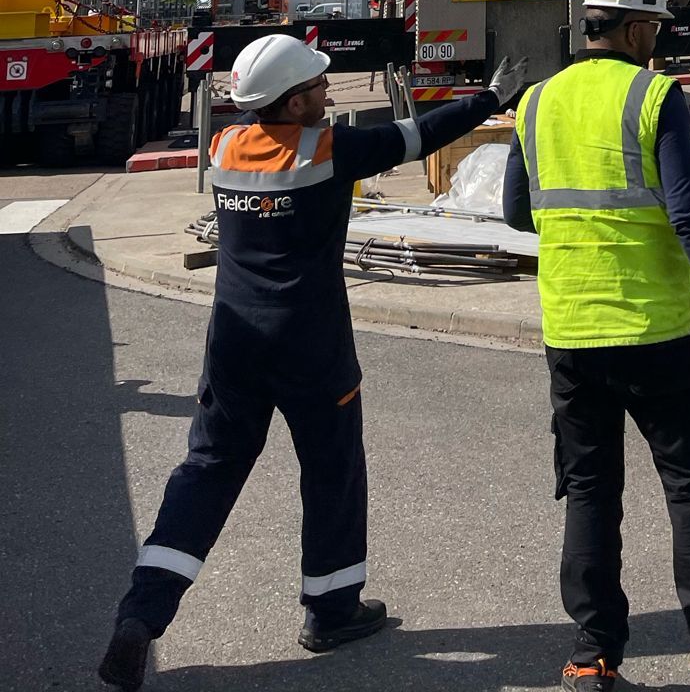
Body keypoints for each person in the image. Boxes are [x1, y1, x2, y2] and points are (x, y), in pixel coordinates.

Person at [98, 34, 522, 690]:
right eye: (320, 87)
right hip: (312, 348)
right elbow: (420, 134)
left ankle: (140, 617)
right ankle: (331, 611)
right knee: (331, 474)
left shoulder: (224, 148)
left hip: (234, 345)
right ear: (295, 102)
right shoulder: (327, 152)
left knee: (206, 473)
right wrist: (492, 96)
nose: (329, 94)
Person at [504, 0, 690, 692]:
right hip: (657, 334)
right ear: (633, 27)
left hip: (569, 334)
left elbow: (513, 211)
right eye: (653, 30)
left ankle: (591, 659)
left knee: (592, 494)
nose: (656, 44)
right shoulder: (652, 95)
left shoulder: (537, 101)